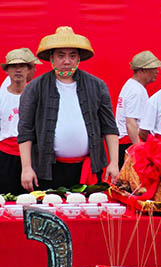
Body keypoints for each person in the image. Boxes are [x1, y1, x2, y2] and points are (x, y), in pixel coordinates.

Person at [18, 26, 119, 191]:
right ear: (51, 58)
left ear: (78, 58)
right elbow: (25, 130)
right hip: (48, 170)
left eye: (72, 56)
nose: (67, 61)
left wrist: (114, 163)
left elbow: (110, 127)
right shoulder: (35, 87)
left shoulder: (97, 85)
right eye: (61, 55)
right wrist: (26, 167)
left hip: (88, 168)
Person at [115, 50, 161, 167]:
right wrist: (138, 149)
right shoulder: (136, 91)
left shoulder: (131, 85)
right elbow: (131, 122)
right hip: (130, 142)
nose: (157, 71)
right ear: (142, 70)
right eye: (153, 68)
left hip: (126, 142)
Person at [0, 49, 37, 194]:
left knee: (32, 197)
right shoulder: (2, 96)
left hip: (31, 154)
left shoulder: (36, 96)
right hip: (5, 155)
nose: (18, 70)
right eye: (14, 66)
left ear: (29, 70)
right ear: (7, 70)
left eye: (22, 66)